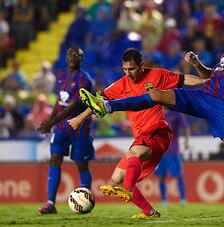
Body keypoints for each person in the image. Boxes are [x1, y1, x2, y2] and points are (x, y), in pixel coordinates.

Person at [79, 0, 224, 217]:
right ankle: (108, 105)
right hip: (204, 96)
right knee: (156, 94)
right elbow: (209, 76)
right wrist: (197, 63)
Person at [68, 48, 206, 219]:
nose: (128, 73)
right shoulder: (120, 85)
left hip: (158, 130)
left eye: (132, 69)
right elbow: (98, 102)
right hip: (142, 137)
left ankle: (128, 188)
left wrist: (205, 80)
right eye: (125, 70)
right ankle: (149, 211)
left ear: (141, 65)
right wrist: (79, 118)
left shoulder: (157, 75)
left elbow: (184, 80)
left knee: (132, 159)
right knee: (115, 180)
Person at [37, 46, 95, 214]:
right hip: (62, 127)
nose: (74, 57)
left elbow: (74, 105)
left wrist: (53, 121)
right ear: (66, 57)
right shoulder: (61, 74)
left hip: (80, 126)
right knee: (54, 159)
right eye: (71, 54)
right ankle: (50, 203)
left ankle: (86, 201)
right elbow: (60, 100)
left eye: (78, 55)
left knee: (81, 164)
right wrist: (50, 120)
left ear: (82, 60)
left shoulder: (85, 79)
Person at [154, 109, 190, 207]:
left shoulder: (177, 113)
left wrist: (187, 141)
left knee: (178, 175)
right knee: (161, 176)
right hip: (160, 151)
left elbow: (185, 127)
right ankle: (164, 200)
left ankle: (182, 199)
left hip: (174, 150)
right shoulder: (157, 113)